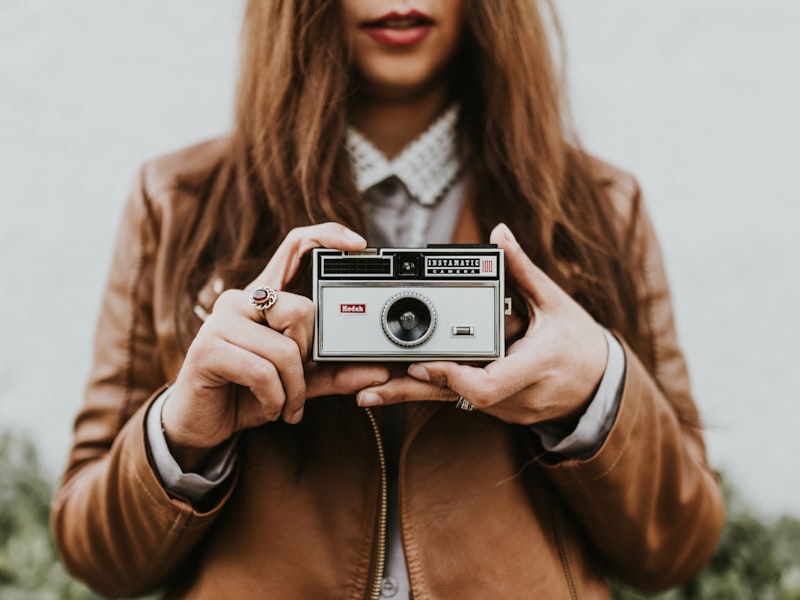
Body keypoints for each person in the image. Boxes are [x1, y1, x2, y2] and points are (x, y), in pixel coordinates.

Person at [51, 0, 725, 598]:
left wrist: (597, 390)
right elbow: (97, 557)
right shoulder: (177, 203)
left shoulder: (601, 209)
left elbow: (678, 546)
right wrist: (182, 434)